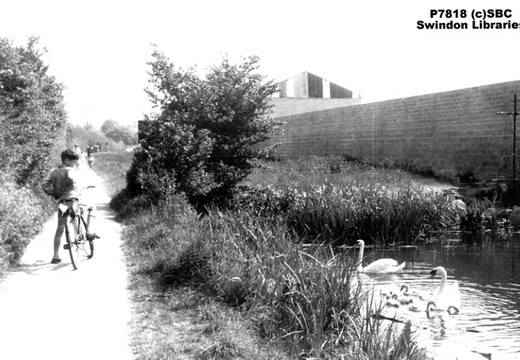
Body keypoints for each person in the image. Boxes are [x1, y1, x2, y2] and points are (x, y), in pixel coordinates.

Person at [41, 149, 80, 264]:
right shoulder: (71, 170)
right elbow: (77, 182)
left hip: (62, 202)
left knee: (60, 229)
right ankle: (76, 241)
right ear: (67, 161)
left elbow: (44, 183)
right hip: (72, 200)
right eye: (73, 162)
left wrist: (52, 192)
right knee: (75, 219)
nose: (74, 164)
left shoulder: (54, 171)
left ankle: (55, 256)